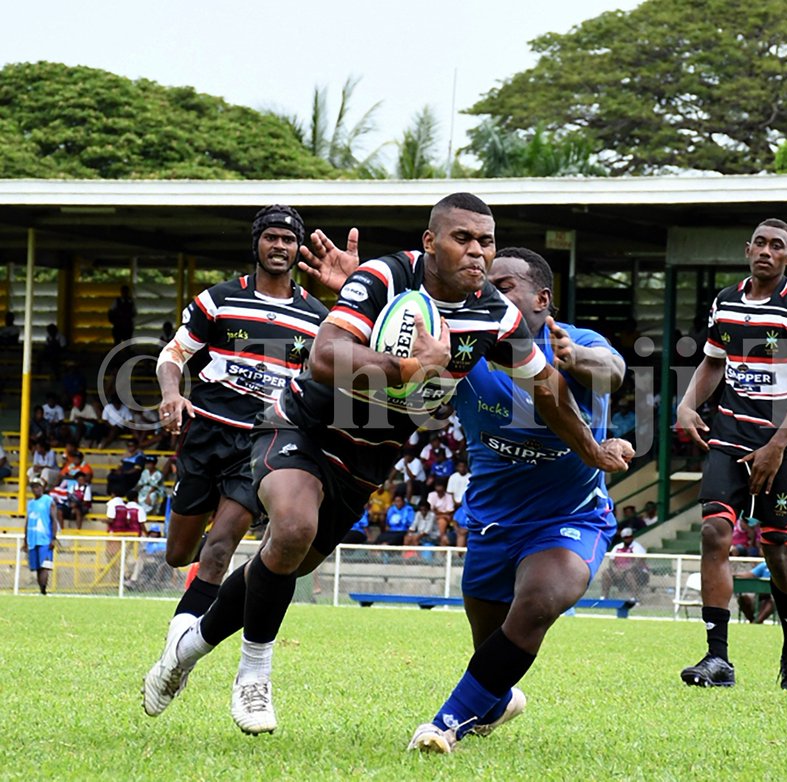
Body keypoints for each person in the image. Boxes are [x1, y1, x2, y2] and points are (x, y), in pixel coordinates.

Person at [143, 194, 630, 737]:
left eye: (485, 242)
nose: (476, 252)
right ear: (430, 242)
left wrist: (592, 449)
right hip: (303, 425)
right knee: (293, 529)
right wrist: (410, 366)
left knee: (288, 561)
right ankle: (254, 673)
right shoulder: (384, 277)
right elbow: (324, 357)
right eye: (462, 239)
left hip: (369, 454)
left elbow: (547, 389)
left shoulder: (496, 314)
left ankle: (190, 644)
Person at [408, 246, 629, 752]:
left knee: (536, 605)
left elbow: (612, 370)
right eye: (486, 286)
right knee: (491, 651)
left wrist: (578, 358)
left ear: (542, 299)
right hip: (491, 525)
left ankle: (442, 725)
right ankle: (497, 700)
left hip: (569, 519)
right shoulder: (467, 345)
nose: (489, 294)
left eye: (503, 287)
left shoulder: (572, 341)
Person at [142, 205, 330, 707]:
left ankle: (174, 663)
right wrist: (170, 392)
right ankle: (182, 640)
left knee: (221, 545)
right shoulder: (220, 300)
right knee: (181, 552)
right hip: (206, 435)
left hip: (263, 443)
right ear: (258, 244)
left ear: (297, 249)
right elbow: (173, 355)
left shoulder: (317, 316)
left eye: (288, 241)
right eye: (271, 238)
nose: (279, 247)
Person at [676, 218, 787, 691]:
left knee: (777, 549)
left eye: (777, 245)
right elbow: (713, 361)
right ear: (748, 250)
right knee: (714, 531)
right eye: (759, 243)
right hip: (730, 434)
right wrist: (686, 403)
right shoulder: (726, 301)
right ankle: (717, 658)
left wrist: (778, 446)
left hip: (783, 442)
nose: (766, 250)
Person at [23, 478, 59, 595]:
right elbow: (28, 521)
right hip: (33, 539)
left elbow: (54, 520)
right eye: (33, 487)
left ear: (42, 487)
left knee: (44, 566)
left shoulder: (48, 501)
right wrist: (25, 540)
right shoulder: (31, 503)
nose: (36, 489)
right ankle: (41, 590)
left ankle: (43, 590)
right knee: (37, 567)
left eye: (38, 486)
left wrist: (53, 538)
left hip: (45, 539)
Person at [600, 527, 650, 599]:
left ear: (632, 537)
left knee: (629, 574)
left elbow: (638, 562)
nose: (627, 539)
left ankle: (634, 597)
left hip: (637, 573)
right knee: (605, 573)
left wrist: (624, 569)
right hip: (618, 572)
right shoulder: (617, 547)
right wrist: (615, 569)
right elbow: (611, 561)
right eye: (625, 537)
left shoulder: (637, 547)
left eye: (629, 537)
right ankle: (604, 597)